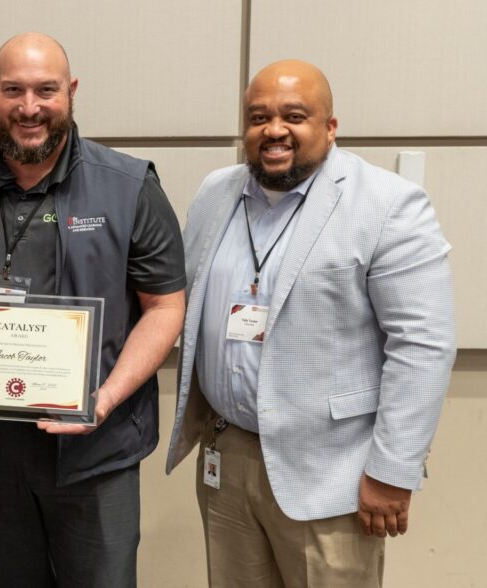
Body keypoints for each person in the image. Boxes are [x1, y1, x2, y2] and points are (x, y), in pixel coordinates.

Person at [166, 60, 456, 587]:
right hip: (226, 457)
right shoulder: (215, 192)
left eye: (294, 116)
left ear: (330, 126)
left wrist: (392, 473)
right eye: (258, 117)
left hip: (332, 473)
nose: (274, 130)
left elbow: (423, 346)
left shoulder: (387, 204)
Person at [0, 33, 186, 587]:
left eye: (46, 90)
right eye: (13, 89)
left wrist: (103, 401)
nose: (29, 107)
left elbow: (165, 307)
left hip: (95, 452)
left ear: (72, 92)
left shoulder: (129, 185)